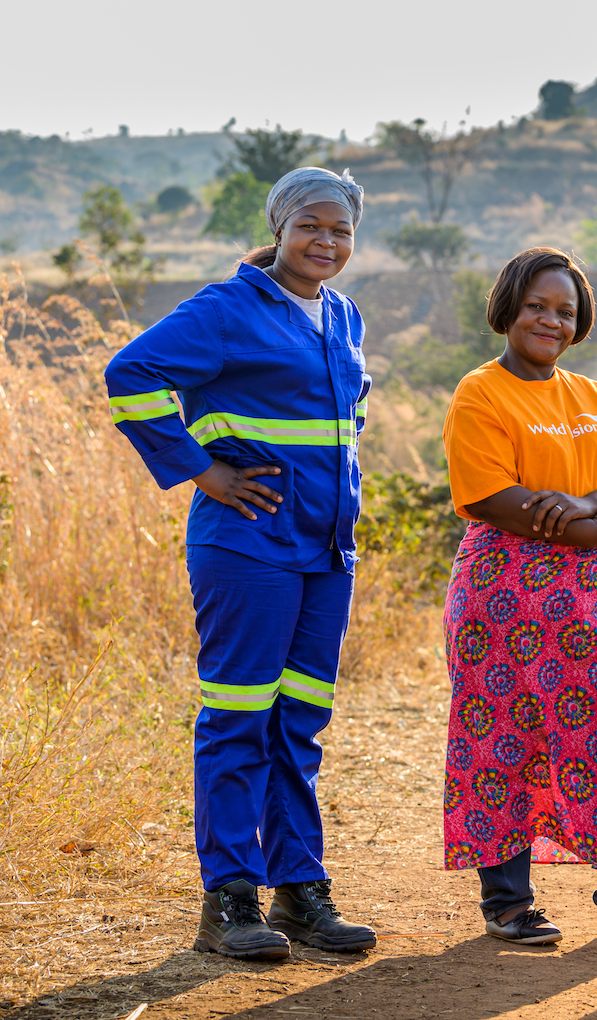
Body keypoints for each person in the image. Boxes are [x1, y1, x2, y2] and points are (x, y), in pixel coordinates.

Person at [105, 167, 378, 960]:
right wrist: (201, 469)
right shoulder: (229, 307)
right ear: (281, 227)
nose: (326, 242)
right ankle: (228, 902)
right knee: (239, 718)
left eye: (341, 230)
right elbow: (132, 375)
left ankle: (300, 891)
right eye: (311, 226)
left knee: (299, 722)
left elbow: (347, 416)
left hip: (326, 552)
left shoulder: (344, 316)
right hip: (248, 546)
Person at [441, 247, 597, 946]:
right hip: (504, 604)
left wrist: (587, 506)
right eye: (536, 307)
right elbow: (495, 497)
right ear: (507, 309)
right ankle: (507, 904)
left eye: (565, 311)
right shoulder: (480, 392)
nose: (550, 321)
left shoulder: (595, 397)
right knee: (502, 743)